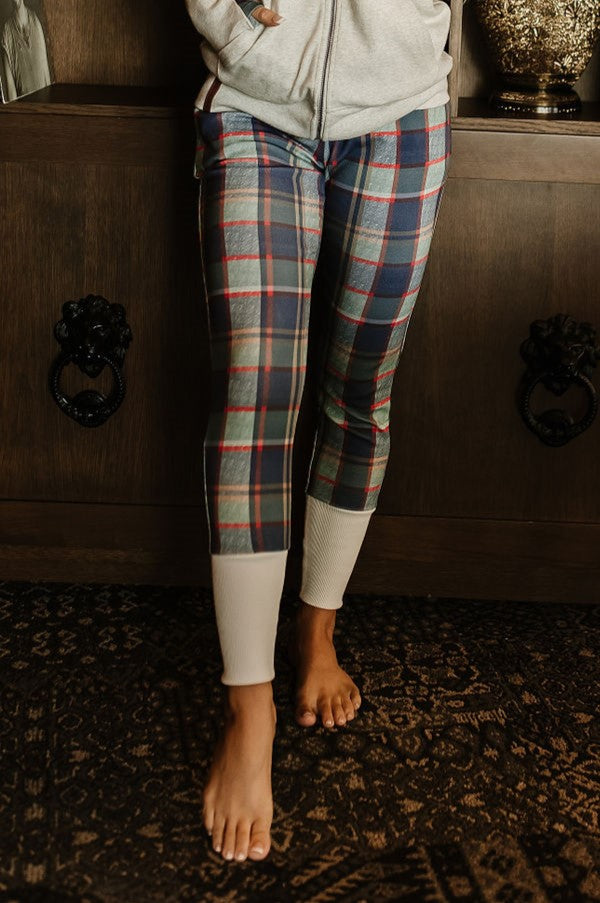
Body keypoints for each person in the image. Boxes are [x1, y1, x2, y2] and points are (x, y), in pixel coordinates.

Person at [185, 0, 453, 864]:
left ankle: (317, 629)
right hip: (255, 98)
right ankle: (249, 708)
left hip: (401, 106)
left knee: (360, 387)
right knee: (256, 390)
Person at [1, 0, 51, 102]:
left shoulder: (37, 20)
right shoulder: (6, 33)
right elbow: (11, 91)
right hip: (26, 106)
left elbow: (46, 73)